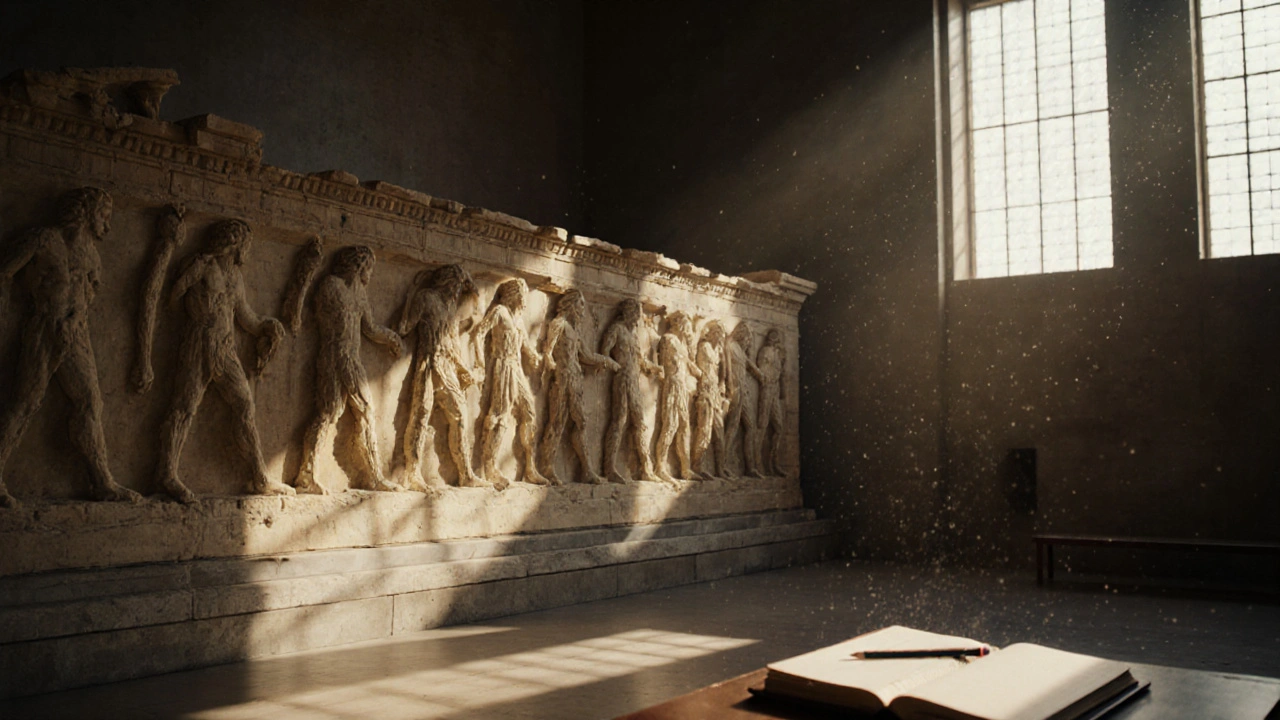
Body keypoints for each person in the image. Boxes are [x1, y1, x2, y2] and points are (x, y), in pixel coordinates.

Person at [0, 187, 141, 507]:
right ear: (87, 212)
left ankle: (102, 481)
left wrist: (74, 322)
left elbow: (85, 301)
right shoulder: (45, 240)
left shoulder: (92, 256)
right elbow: (5, 272)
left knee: (90, 402)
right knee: (25, 402)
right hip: (44, 328)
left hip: (75, 334)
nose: (107, 225)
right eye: (104, 215)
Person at [154, 219, 292, 503]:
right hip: (199, 343)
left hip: (225, 349)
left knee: (244, 404)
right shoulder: (201, 265)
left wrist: (266, 325)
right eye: (245, 245)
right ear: (234, 244)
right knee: (184, 406)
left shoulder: (235, 277)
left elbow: (245, 317)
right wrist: (193, 278)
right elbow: (172, 298)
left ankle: (259, 476)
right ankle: (166, 474)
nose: (247, 251)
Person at [294, 246, 404, 494]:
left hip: (352, 360)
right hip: (334, 356)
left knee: (366, 412)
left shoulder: (359, 293)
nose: (370, 274)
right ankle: (306, 474)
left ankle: (374, 476)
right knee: (328, 413)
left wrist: (391, 338)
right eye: (369, 268)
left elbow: (370, 328)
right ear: (358, 266)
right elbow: (323, 319)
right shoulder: (331, 286)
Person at [398, 263, 485, 489]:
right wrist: (410, 296)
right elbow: (405, 328)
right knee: (420, 415)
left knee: (460, 416)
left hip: (446, 367)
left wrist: (463, 369)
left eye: (459, 287)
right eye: (456, 285)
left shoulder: (450, 309)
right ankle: (412, 472)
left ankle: (466, 474)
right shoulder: (425, 298)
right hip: (428, 364)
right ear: (446, 282)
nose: (457, 291)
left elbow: (454, 343)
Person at [537, 290, 618, 484]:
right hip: (563, 379)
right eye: (581, 304)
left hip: (575, 380)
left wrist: (606, 361)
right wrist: (551, 364)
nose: (583, 309)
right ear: (571, 305)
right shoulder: (559, 324)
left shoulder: (575, 331)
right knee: (557, 423)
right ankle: (547, 467)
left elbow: (587, 356)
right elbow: (548, 350)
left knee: (581, 422)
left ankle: (587, 470)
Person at [473, 278, 548, 488]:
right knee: (500, 414)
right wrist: (480, 363)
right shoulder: (499, 312)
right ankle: (489, 466)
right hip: (503, 365)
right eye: (522, 295)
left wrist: (535, 357)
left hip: (516, 368)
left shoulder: (518, 320)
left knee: (529, 413)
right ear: (514, 294)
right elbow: (479, 334)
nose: (524, 300)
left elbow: (525, 346)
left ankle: (530, 468)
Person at [600, 298, 664, 484]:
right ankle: (609, 468)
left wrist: (655, 368)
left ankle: (646, 468)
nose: (637, 319)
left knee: (639, 423)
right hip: (622, 380)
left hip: (634, 381)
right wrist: (615, 365)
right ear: (627, 313)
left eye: (639, 315)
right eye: (636, 314)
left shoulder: (633, 335)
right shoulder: (616, 329)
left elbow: (640, 361)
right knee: (619, 421)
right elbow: (605, 353)